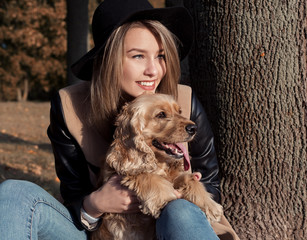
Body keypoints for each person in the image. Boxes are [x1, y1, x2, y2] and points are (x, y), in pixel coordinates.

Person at [0, 0, 238, 239]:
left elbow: (210, 187)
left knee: (181, 211)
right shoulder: (69, 107)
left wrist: (184, 187)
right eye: (138, 56)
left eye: (160, 56)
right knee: (13, 193)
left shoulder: (184, 100)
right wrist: (94, 204)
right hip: (103, 231)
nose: (153, 71)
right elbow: (73, 196)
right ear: (107, 60)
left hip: (173, 227)